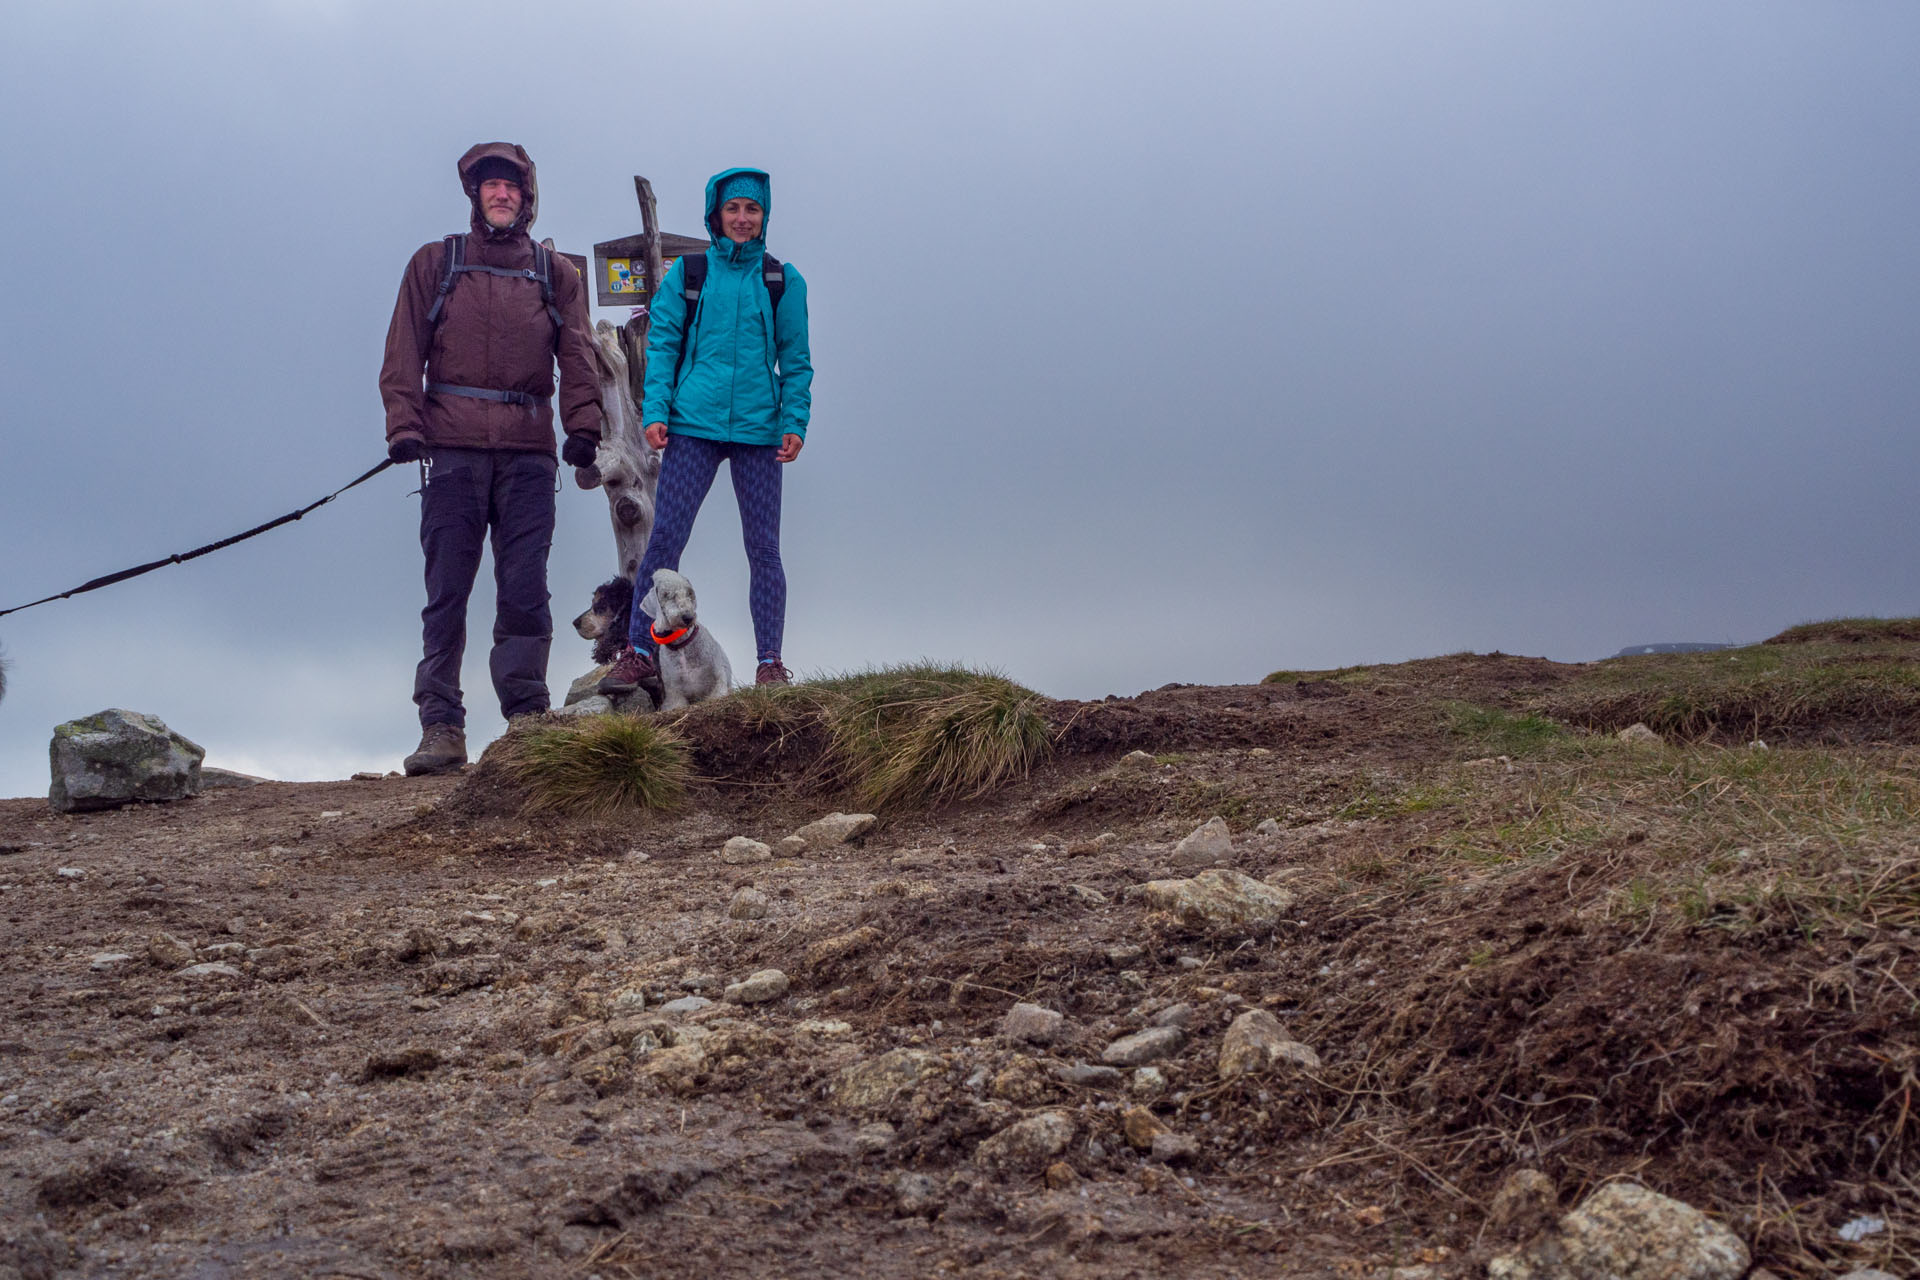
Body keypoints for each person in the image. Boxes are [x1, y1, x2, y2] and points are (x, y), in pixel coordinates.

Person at [379, 142, 603, 775]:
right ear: (475, 195)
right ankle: (441, 726)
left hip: (530, 453)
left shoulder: (553, 272)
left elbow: (578, 353)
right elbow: (403, 350)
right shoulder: (436, 262)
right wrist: (405, 426)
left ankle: (527, 720)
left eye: (511, 187)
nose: (501, 195)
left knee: (525, 589)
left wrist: (583, 426)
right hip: (451, 451)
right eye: (490, 186)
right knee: (446, 592)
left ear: (527, 198)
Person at [600, 166, 812, 700]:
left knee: (764, 549)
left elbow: (797, 360)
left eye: (753, 209)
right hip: (694, 426)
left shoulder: (782, 280)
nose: (742, 219)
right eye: (733, 209)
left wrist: (794, 421)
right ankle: (641, 652)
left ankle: (769, 664)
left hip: (760, 431)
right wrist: (656, 410)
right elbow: (665, 342)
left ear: (764, 217)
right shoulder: (689, 275)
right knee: (666, 538)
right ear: (716, 214)